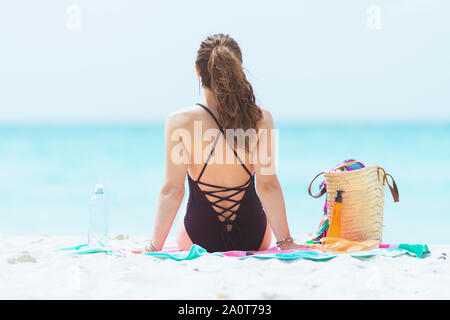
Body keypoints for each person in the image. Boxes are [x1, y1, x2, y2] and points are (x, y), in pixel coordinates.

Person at [145, 33, 309, 253]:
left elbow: (172, 191)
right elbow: (268, 185)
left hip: (198, 236)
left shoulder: (179, 122)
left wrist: (153, 247)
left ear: (197, 70)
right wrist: (286, 242)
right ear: (237, 68)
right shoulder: (261, 119)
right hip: (254, 235)